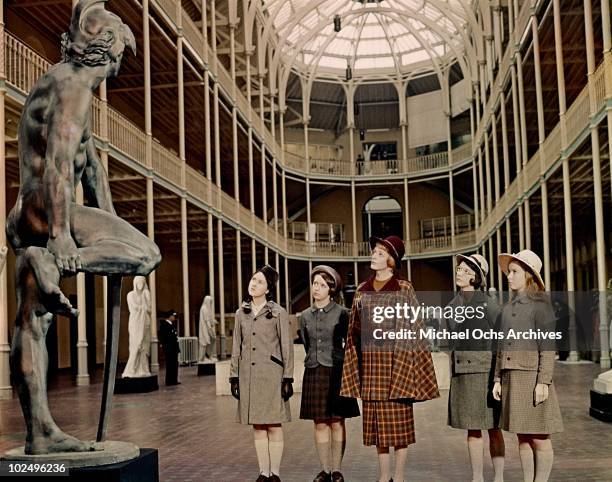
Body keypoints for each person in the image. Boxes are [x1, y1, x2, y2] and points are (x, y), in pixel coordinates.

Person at [340, 235, 439, 482]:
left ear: (392, 261)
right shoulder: (362, 290)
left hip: (397, 365)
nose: (374, 255)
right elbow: (353, 327)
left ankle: (399, 476)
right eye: (374, 251)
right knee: (378, 428)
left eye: (381, 253)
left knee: (399, 427)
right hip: (371, 367)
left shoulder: (404, 288)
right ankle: (384, 477)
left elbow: (414, 328)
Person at [493, 250, 563, 482]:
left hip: (532, 378)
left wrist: (543, 382)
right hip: (511, 378)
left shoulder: (541, 307)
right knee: (522, 437)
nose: (509, 276)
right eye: (509, 272)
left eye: (514, 272)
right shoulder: (506, 309)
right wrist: (496, 379)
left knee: (540, 438)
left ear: (528, 276)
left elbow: (548, 348)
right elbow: (500, 347)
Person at [229, 265, 294, 482]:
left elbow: (287, 346)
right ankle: (263, 473)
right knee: (258, 425)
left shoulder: (278, 312)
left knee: (274, 424)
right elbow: (236, 346)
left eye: (259, 282)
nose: (253, 284)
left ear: (268, 289)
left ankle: (275, 473)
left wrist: (288, 377)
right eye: (253, 279)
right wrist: (233, 376)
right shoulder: (241, 313)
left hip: (272, 376)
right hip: (248, 376)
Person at [446, 254, 504, 482]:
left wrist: (499, 376)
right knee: (472, 429)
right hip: (462, 374)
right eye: (459, 269)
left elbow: (501, 338)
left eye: (464, 270)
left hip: (485, 373)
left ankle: (498, 477)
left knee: (493, 427)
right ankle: (477, 477)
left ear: (475, 276)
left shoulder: (488, 303)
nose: (458, 272)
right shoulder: (451, 305)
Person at [299, 265, 360, 482]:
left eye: (322, 285)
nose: (316, 288)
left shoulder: (343, 314)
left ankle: (337, 470)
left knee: (337, 421)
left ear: (331, 289)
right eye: (315, 283)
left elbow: (349, 345)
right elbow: (307, 344)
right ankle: (324, 470)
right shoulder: (305, 316)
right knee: (320, 422)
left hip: (337, 371)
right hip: (314, 371)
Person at [122, 276, 152, 378]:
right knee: (135, 346)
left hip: (145, 323)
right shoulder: (130, 295)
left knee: (144, 347)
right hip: (135, 323)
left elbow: (149, 309)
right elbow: (133, 308)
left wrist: (146, 297)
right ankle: (130, 370)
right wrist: (143, 307)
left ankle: (143, 369)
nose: (140, 284)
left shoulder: (145, 294)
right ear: (135, 283)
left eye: (142, 282)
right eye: (138, 282)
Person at [158, 310, 180, 385]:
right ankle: (169, 381)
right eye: (173, 316)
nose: (174, 317)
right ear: (170, 316)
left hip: (173, 349)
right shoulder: (165, 325)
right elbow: (164, 338)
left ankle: (174, 380)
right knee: (170, 365)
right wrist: (164, 347)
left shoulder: (171, 325)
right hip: (169, 349)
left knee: (174, 365)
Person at [198, 295, 218, 362]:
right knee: (205, 343)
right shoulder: (204, 309)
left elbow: (209, 320)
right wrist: (211, 330)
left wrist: (213, 322)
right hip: (204, 330)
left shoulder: (205, 308)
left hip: (206, 329)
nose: (211, 304)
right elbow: (207, 322)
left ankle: (208, 356)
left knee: (209, 341)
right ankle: (202, 358)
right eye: (210, 302)